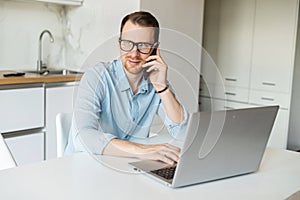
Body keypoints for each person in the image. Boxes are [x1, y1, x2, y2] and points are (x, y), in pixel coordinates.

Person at [65, 11, 188, 165]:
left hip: (126, 166)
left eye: (143, 45)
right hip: (85, 164)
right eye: (127, 43)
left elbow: (183, 132)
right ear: (119, 43)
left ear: (155, 49)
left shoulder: (156, 81)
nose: (133, 53)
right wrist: (143, 151)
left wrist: (162, 88)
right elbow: (83, 136)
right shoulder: (97, 77)